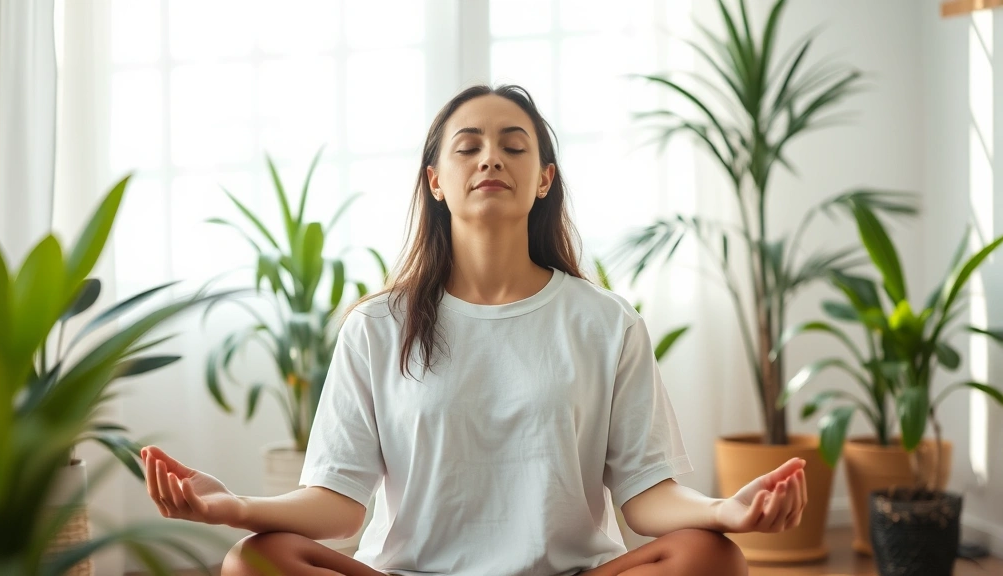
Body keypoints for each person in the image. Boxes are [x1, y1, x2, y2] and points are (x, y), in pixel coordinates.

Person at [141, 84, 807, 576]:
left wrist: (723, 512)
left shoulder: (606, 323)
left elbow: (646, 498)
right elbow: (338, 508)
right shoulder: (377, 326)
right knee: (251, 562)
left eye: (514, 146)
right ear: (436, 180)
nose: (492, 158)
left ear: (544, 179)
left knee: (710, 558)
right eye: (470, 147)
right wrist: (235, 507)